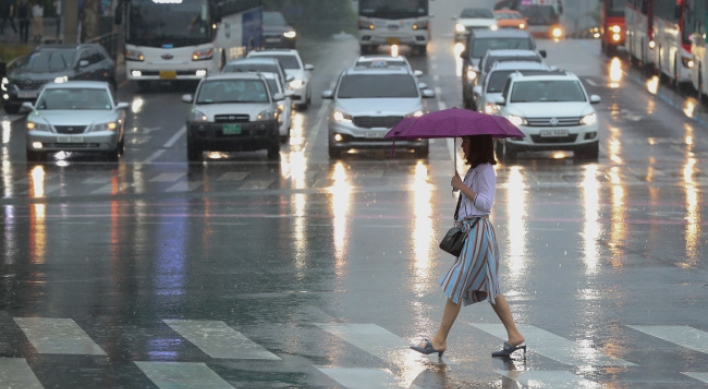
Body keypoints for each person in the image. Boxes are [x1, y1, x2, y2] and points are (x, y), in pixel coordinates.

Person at [410, 135, 526, 359]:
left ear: (477, 144)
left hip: (479, 232)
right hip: (472, 232)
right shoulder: (474, 169)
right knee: (490, 286)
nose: (462, 145)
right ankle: (514, 335)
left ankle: (440, 339)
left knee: (457, 281)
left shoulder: (485, 170)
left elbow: (485, 203)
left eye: (466, 142)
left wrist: (462, 186)